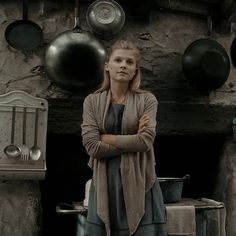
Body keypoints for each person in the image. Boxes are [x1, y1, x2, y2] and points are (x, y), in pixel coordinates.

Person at [81, 39, 166, 236]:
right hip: (105, 183)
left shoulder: (147, 100)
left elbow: (145, 141)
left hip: (140, 181)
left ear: (135, 70)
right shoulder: (92, 101)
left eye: (129, 62)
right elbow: (92, 147)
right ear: (107, 66)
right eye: (118, 60)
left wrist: (105, 137)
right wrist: (133, 139)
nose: (123, 65)